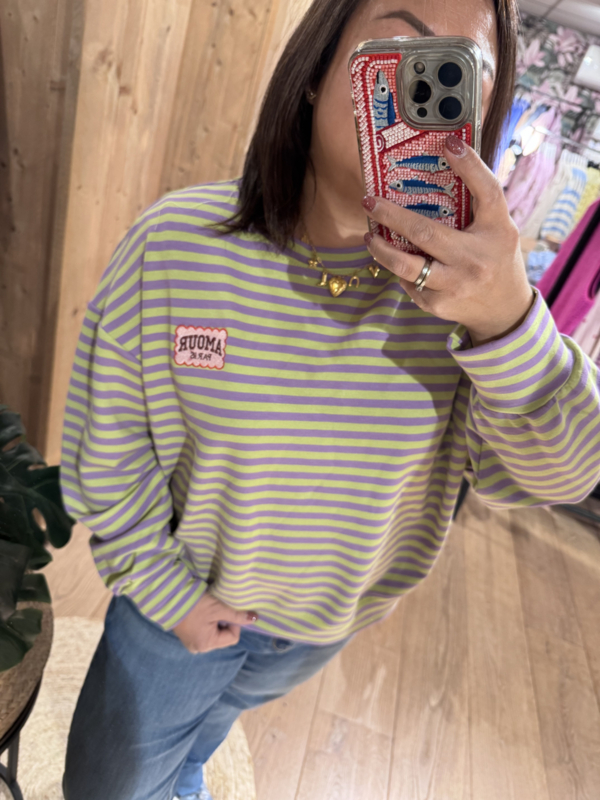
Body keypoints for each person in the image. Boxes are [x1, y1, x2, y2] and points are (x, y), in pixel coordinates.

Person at [60, 0, 600, 798]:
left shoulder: (480, 310)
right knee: (104, 785)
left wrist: (510, 323)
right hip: (172, 607)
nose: (423, 93)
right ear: (317, 73)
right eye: (400, 49)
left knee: (203, 734)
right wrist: (169, 596)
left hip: (319, 629)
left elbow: (563, 475)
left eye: (461, 73)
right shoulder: (178, 244)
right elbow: (109, 445)